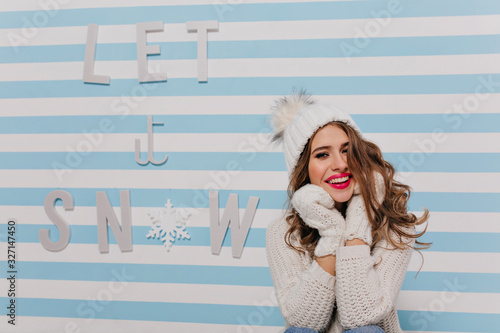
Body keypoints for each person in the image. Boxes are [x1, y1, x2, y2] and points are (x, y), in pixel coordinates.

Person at [265, 90, 431, 333]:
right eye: (322, 154)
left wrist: (361, 214)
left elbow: (363, 314)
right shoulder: (282, 232)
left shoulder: (395, 225)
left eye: (347, 150)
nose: (341, 164)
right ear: (303, 169)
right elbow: (302, 320)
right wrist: (332, 232)